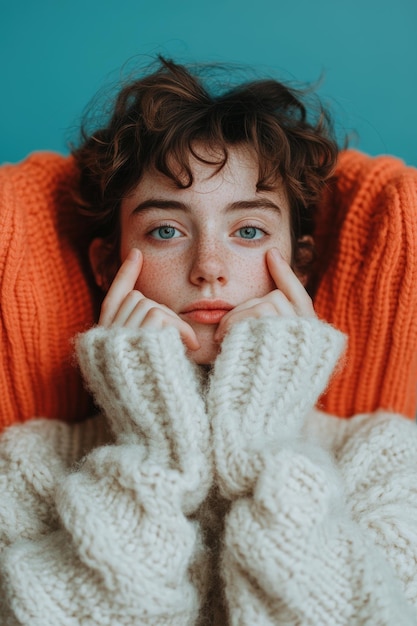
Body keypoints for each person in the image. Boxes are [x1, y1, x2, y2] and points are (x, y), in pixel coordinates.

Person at [1, 56, 416, 625]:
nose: (209, 268)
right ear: (108, 265)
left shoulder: (386, 459)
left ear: (299, 266)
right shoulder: (26, 467)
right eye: (166, 230)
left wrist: (263, 442)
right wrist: (154, 448)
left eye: (248, 231)